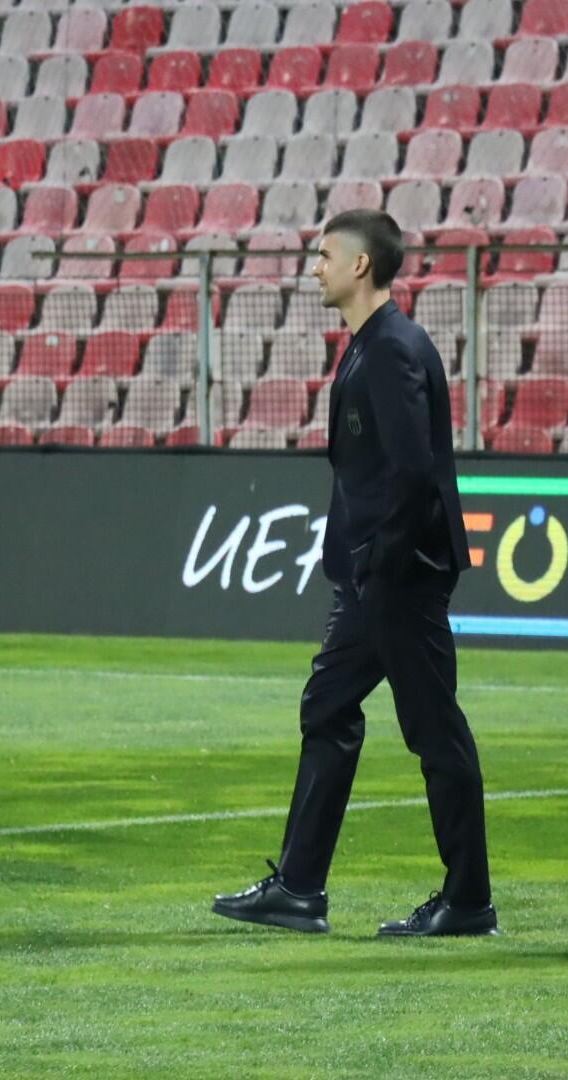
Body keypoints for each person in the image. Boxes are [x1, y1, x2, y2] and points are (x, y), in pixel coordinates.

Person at [212, 210, 495, 937]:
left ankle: (468, 900)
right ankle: (299, 888)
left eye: (324, 254)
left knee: (433, 729)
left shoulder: (392, 348)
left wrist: (379, 564)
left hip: (397, 576)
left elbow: (413, 474)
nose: (315, 266)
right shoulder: (376, 344)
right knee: (328, 707)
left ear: (360, 265)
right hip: (376, 575)